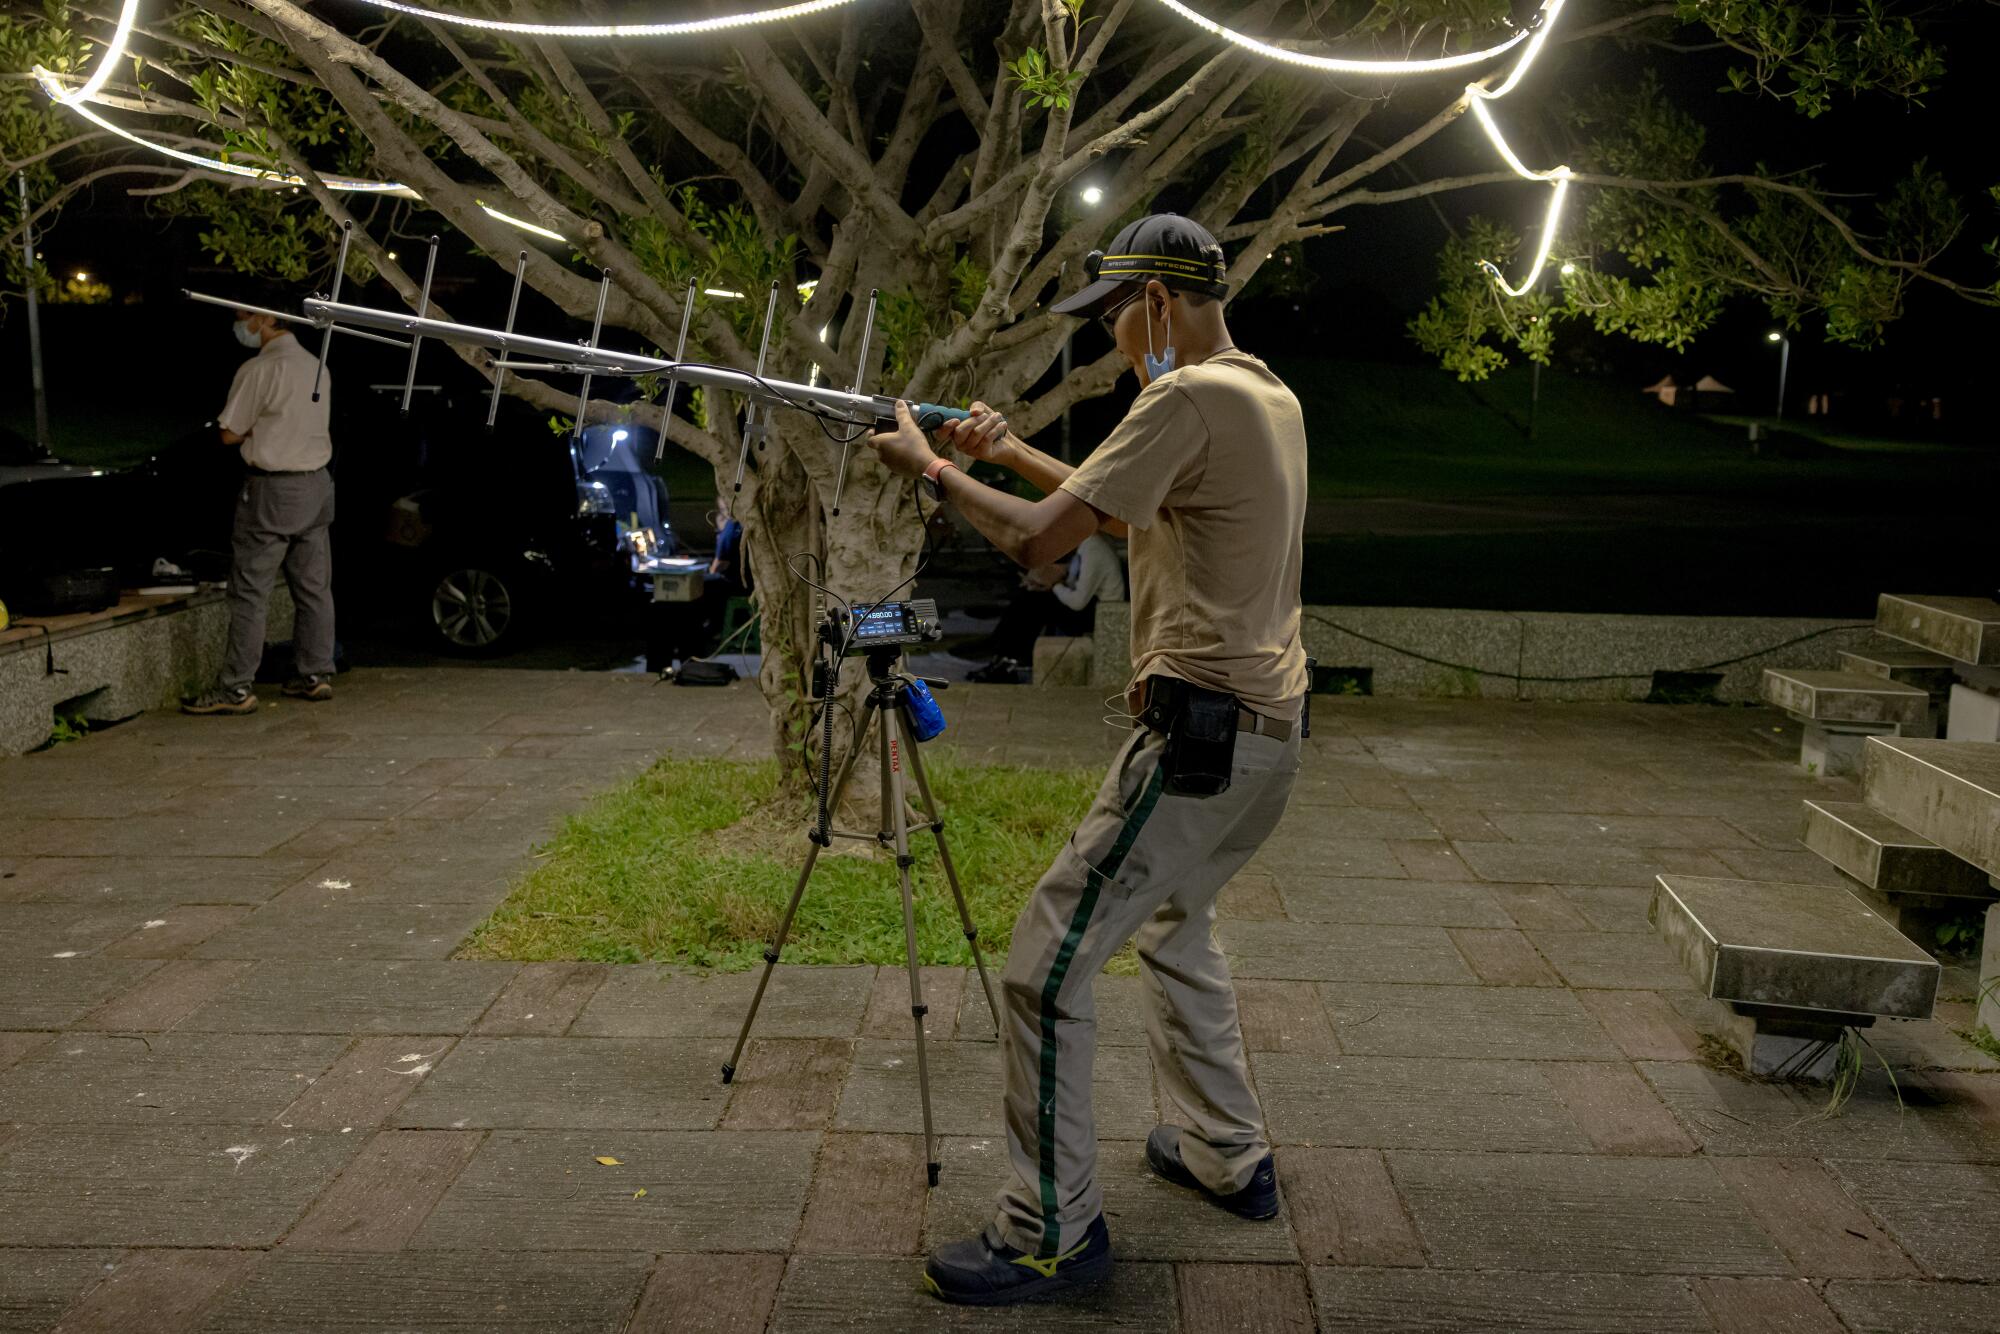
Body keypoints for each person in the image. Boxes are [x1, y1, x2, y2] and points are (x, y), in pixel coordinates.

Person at [865, 213, 1308, 1305]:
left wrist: (927, 470)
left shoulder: (1184, 395)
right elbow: (1119, 512)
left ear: (1156, 301)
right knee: (1175, 923)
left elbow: (1036, 540)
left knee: (1044, 963)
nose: (1112, 340)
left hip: (1199, 738)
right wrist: (1005, 453)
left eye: (1112, 317)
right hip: (1266, 742)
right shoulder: (1264, 395)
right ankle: (1224, 1148)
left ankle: (1047, 1230)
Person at [182, 295, 337, 714]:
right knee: (314, 587)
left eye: (243, 316)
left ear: (266, 318)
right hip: (317, 485)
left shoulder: (259, 369)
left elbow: (229, 433)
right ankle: (315, 672)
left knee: (251, 591)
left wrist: (256, 432)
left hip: (272, 489)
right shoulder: (315, 366)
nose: (239, 325)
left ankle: (235, 686)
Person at [968, 531, 1124, 683]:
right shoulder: (1087, 545)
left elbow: (1078, 602)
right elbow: (1073, 583)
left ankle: (1008, 660)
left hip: (1101, 615)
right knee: (1029, 597)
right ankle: (1003, 655)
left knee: (1035, 604)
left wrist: (1053, 586)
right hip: (1091, 608)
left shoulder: (1094, 549)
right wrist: (1045, 584)